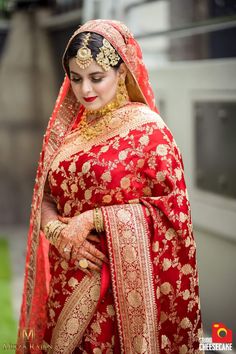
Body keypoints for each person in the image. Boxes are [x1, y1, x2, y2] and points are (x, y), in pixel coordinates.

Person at [17, 19, 203, 354]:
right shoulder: (68, 134)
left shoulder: (149, 132)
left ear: (121, 73)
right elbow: (45, 199)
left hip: (117, 298)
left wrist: (93, 219)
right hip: (67, 281)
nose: (85, 90)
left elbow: (174, 214)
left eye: (96, 77)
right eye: (76, 79)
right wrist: (58, 232)